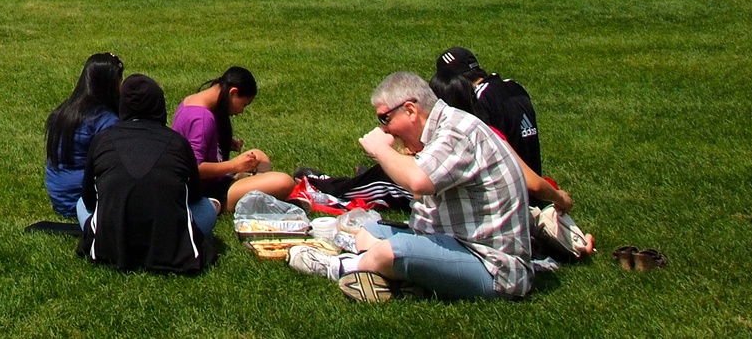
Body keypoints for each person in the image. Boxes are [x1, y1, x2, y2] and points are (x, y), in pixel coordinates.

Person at [288, 70, 532, 302]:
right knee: (369, 233)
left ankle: (336, 267)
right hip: (456, 241)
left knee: (392, 251)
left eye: (385, 118)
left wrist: (381, 149)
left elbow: (418, 181)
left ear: (410, 110)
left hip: (493, 267)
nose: (384, 128)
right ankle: (404, 282)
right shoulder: (444, 128)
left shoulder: (456, 132)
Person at [78, 74, 217, 273]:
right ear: (159, 104)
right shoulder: (177, 142)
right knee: (207, 207)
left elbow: (89, 200)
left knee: (80, 204)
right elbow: (193, 196)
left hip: (112, 242)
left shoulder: (102, 139)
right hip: (169, 242)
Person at [171, 67, 296, 211]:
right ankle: (246, 198)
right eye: (244, 104)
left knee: (258, 155)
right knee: (284, 182)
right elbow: (194, 168)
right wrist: (235, 165)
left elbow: (192, 141)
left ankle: (253, 189)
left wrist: (224, 142)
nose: (242, 111)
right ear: (233, 92)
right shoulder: (202, 118)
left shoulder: (191, 101)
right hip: (206, 191)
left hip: (209, 181)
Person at [44, 52, 123, 217]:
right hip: (84, 201)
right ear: (109, 84)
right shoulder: (105, 121)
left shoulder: (63, 112)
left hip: (59, 196)